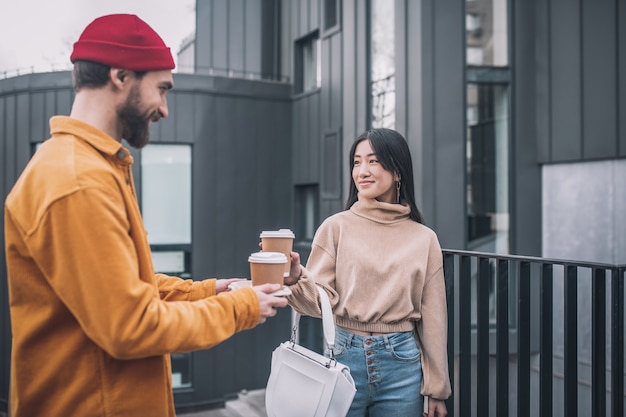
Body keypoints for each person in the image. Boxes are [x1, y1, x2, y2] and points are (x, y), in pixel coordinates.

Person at [3, 14, 288, 417]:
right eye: (162, 89)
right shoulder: (77, 180)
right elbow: (130, 326)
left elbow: (123, 288)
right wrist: (241, 308)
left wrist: (210, 291)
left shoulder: (89, 168)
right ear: (121, 76)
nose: (164, 109)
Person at [284, 128, 451, 417]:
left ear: (398, 172)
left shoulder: (424, 238)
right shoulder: (336, 227)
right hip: (344, 356)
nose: (362, 171)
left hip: (403, 364)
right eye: (357, 162)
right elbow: (318, 302)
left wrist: (437, 389)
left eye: (373, 161)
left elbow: (434, 318)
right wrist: (297, 278)